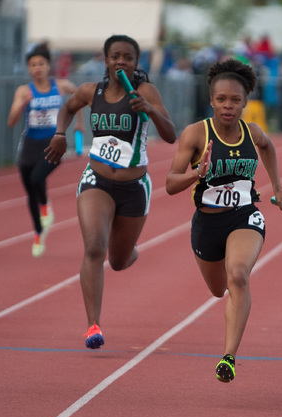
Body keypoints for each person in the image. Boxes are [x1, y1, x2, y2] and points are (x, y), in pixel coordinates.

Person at [165, 58, 282, 383]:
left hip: (244, 216)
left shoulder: (252, 132)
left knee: (237, 276)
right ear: (211, 100)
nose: (228, 106)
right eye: (221, 99)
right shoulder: (196, 134)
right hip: (207, 225)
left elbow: (267, 147)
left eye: (235, 100)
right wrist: (198, 172)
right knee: (218, 289)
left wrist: (277, 188)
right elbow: (170, 183)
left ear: (245, 102)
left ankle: (229, 356)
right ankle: (228, 328)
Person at [45, 35, 176, 349]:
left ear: (135, 63)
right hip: (97, 181)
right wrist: (61, 134)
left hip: (134, 187)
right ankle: (93, 326)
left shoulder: (146, 91)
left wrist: (150, 111)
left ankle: (129, 248)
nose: (121, 62)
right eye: (115, 56)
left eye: (128, 57)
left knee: (117, 260)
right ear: (105, 61)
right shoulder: (92, 91)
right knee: (93, 248)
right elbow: (67, 107)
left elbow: (171, 135)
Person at [7, 43, 83, 257]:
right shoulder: (23, 91)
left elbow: (80, 97)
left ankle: (45, 206)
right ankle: (39, 233)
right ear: (28, 69)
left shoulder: (61, 86)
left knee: (37, 179)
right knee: (30, 190)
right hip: (30, 144)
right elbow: (11, 121)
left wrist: (79, 123)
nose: (37, 68)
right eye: (33, 65)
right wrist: (21, 105)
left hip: (53, 143)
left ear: (48, 66)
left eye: (41, 63)